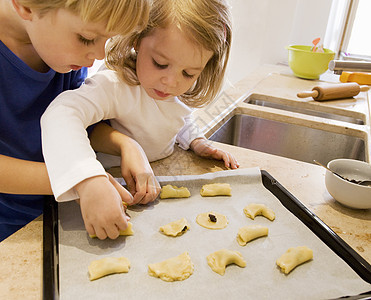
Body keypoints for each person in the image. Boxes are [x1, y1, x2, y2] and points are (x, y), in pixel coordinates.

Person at [41, 0, 239, 240]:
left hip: (156, 185)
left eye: (188, 73)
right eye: (160, 64)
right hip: (113, 196)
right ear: (137, 40)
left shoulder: (173, 90)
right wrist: (88, 178)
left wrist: (195, 140)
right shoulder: (114, 86)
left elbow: (178, 117)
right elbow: (62, 113)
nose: (172, 82)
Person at [0, 0, 150, 242]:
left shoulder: (66, 54)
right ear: (26, 6)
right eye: (87, 38)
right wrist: (79, 179)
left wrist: (125, 145)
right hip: (11, 233)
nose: (97, 57)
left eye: (107, 40)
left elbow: (74, 125)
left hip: (62, 213)